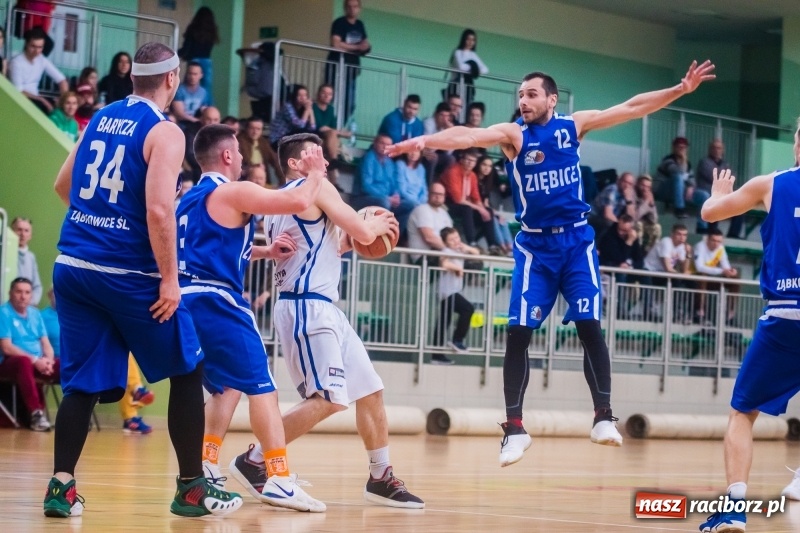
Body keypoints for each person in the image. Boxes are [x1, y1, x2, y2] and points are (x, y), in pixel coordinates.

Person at [387, 60, 716, 467]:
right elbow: (468, 134)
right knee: (518, 334)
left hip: (577, 243)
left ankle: (602, 417)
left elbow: (631, 107)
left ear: (551, 99)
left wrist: (679, 90)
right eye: (520, 95)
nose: (523, 101)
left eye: (531, 94)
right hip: (535, 249)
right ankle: (514, 429)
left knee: (589, 326)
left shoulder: (572, 127)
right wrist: (425, 140)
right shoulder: (514, 136)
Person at [45, 42, 242, 518]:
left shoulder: (101, 117)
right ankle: (192, 488)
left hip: (73, 265)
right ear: (172, 79)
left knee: (83, 384)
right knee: (187, 367)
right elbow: (157, 209)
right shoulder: (165, 131)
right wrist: (170, 280)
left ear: (133, 78)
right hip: (126, 273)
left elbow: (62, 186)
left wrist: (100, 220)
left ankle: (61, 488)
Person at [227, 132, 424, 509]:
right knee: (329, 399)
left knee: (369, 389)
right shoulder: (314, 188)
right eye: (314, 154)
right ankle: (255, 461)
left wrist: (356, 235)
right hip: (307, 307)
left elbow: (330, 244)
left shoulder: (286, 200)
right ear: (294, 164)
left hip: (322, 305)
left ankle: (380, 476)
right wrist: (376, 227)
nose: (325, 161)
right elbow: (364, 232)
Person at [177, 125, 327, 511]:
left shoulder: (189, 197)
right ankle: (277, 477)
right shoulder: (233, 190)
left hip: (185, 300)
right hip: (217, 300)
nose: (244, 159)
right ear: (227, 156)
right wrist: (315, 171)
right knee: (264, 387)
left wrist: (266, 251)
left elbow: (214, 245)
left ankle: (207, 463)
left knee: (226, 387)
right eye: (240, 154)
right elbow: (297, 202)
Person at [695, 126, 800, 532]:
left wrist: (718, 195)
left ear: (796, 144)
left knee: (743, 413)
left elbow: (709, 214)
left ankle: (735, 506)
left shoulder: (771, 184)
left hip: (785, 316)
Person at [0, 277, 58, 431]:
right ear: (10, 293)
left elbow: (46, 344)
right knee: (23, 361)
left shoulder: (35, 314)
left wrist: (49, 361)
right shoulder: (3, 313)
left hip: (37, 363)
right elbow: (6, 347)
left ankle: (76, 412)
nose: (23, 296)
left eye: (27, 292)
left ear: (31, 295)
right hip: (10, 363)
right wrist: (35, 361)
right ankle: (36, 414)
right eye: (19, 291)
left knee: (65, 364)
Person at [433, 227, 478, 362]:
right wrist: (457, 268)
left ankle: (437, 356)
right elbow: (444, 263)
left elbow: (476, 253)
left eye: (457, 238)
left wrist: (464, 246)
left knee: (443, 323)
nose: (455, 241)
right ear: (445, 242)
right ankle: (457, 340)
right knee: (468, 308)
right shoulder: (446, 251)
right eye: (451, 240)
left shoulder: (458, 250)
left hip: (453, 291)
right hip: (448, 292)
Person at [439, 149, 496, 248]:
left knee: (488, 212)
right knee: (467, 209)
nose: (470, 163)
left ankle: (492, 246)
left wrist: (483, 209)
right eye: (468, 160)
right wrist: (479, 209)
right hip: (447, 204)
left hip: (463, 204)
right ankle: (472, 242)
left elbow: (476, 197)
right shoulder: (453, 171)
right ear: (462, 160)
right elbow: (458, 199)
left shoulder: (472, 175)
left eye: (473, 161)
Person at [325, 0, 370, 121]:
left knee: (349, 104)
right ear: (345, 8)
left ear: (359, 8)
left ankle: (336, 128)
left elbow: (365, 43)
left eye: (355, 6)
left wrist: (364, 46)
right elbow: (335, 43)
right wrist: (356, 47)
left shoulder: (359, 24)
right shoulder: (339, 23)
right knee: (329, 99)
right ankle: (326, 127)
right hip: (336, 68)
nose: (352, 9)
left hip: (352, 70)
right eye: (349, 6)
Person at [9, 27, 68, 114]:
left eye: (40, 47)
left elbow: (62, 80)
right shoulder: (16, 62)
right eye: (33, 46)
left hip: (36, 98)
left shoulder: (41, 59)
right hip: (22, 100)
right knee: (44, 106)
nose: (36, 51)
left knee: (59, 108)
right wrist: (42, 100)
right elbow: (19, 91)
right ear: (26, 44)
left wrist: (64, 101)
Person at [692, 228, 739, 326]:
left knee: (735, 279)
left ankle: (730, 314)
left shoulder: (720, 248)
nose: (716, 244)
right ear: (708, 239)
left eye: (719, 241)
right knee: (703, 277)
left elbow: (725, 266)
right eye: (713, 240)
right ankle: (700, 313)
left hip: (711, 278)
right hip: (694, 277)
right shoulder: (700, 246)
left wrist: (730, 272)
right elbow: (699, 267)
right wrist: (721, 271)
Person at [407, 182, 453, 265]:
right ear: (428, 194)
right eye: (435, 193)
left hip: (441, 254)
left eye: (441, 194)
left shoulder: (444, 214)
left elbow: (452, 237)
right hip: (424, 257)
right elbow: (429, 238)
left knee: (473, 262)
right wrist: (450, 251)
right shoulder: (422, 209)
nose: (438, 197)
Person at [178, 7, 219, 97]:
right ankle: (207, 109)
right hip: (206, 62)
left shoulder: (193, 29)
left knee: (189, 88)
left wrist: (175, 54)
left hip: (194, 61)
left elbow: (186, 48)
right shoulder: (211, 31)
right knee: (207, 90)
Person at [694, 138, 730, 234]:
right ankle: (703, 228)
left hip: (719, 193)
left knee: (740, 200)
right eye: (714, 148)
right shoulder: (704, 162)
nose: (716, 150)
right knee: (710, 197)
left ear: (723, 150)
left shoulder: (726, 164)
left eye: (719, 148)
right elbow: (713, 177)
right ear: (710, 149)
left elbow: (731, 177)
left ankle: (734, 233)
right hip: (705, 192)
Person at [446, 29, 488, 108]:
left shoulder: (473, 54)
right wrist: (473, 66)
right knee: (454, 105)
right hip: (456, 84)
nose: (470, 42)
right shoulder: (458, 52)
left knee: (465, 106)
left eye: (473, 40)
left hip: (467, 85)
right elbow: (461, 67)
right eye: (468, 39)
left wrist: (472, 66)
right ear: (464, 40)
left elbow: (485, 69)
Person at [589, 171, 636, 240]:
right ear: (619, 181)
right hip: (593, 217)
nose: (627, 186)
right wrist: (621, 225)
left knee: (633, 227)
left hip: (607, 219)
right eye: (625, 182)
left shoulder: (629, 194)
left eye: (630, 184)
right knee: (610, 223)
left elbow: (631, 218)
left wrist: (629, 201)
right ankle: (599, 247)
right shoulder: (612, 190)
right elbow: (607, 215)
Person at [237, 116, 283, 185]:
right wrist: (252, 168)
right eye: (252, 128)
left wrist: (283, 181)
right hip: (245, 180)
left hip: (262, 179)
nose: (255, 132)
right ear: (247, 128)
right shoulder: (239, 141)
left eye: (258, 129)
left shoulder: (263, 142)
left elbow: (275, 161)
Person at [657, 136, 693, 218]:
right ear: (674, 147)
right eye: (679, 147)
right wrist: (684, 159)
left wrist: (690, 186)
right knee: (678, 177)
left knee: (703, 195)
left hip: (680, 193)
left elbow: (692, 179)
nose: (681, 149)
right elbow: (678, 172)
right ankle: (679, 209)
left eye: (684, 147)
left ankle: (703, 226)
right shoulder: (667, 160)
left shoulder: (688, 164)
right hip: (663, 191)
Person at [12, 217, 42, 306]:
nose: (22, 234)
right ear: (12, 232)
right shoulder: (4, 254)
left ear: (30, 235)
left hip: (26, 308)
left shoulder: (31, 257)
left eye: (26, 231)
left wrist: (29, 304)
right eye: (19, 230)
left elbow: (37, 287)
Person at [634, 174, 661, 253]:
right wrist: (646, 202)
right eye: (643, 185)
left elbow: (654, 220)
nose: (645, 189)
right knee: (638, 224)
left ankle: (649, 252)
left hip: (644, 223)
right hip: (633, 222)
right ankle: (637, 251)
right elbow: (635, 217)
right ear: (638, 184)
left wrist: (652, 205)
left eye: (648, 187)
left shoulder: (649, 196)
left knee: (657, 227)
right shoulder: (633, 194)